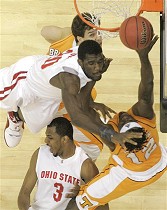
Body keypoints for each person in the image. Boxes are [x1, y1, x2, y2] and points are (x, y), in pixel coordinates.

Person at [65, 36, 167, 210]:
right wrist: (143, 56)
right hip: (160, 160)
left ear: (120, 135)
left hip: (131, 173)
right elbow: (147, 87)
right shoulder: (145, 119)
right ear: (141, 126)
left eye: (124, 124)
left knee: (78, 203)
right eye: (130, 122)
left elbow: (82, 110)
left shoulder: (113, 139)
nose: (126, 118)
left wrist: (94, 77)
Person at [0, 40, 141, 152]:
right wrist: (113, 135)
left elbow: (85, 103)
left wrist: (112, 145)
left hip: (48, 94)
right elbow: (78, 117)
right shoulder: (70, 81)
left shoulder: (88, 57)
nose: (97, 67)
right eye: (92, 63)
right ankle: (13, 111)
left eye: (99, 61)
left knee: (36, 126)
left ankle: (15, 115)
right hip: (24, 79)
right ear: (80, 63)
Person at [41, 13, 109, 161]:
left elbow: (44, 31)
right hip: (55, 105)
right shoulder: (75, 69)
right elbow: (81, 102)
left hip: (47, 92)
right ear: (80, 38)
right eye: (92, 34)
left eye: (98, 31)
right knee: (97, 144)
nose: (98, 37)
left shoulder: (68, 37)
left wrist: (62, 33)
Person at [17, 117, 109, 210]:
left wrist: (83, 193)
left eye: (50, 138)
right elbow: (24, 192)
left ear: (64, 139)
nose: (46, 141)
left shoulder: (86, 165)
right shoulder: (40, 153)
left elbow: (103, 204)